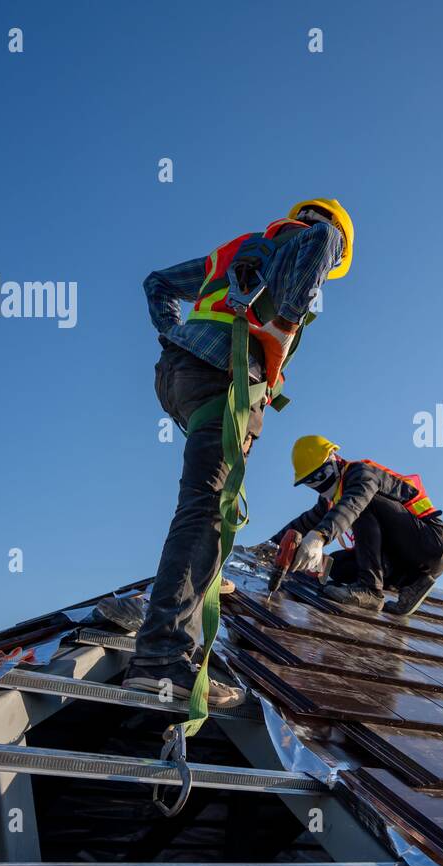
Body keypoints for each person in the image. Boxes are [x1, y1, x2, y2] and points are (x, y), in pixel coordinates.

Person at [123, 201, 354, 705]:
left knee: (207, 500)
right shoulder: (320, 236)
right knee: (206, 509)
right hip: (225, 378)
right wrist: (285, 319)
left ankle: (203, 582)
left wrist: (173, 332)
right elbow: (319, 246)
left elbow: (156, 283)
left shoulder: (232, 251)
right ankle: (160, 657)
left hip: (178, 374)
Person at [268, 435, 443, 618]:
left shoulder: (361, 474)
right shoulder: (330, 500)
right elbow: (306, 522)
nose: (318, 484)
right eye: (310, 482)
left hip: (431, 545)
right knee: (334, 566)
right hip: (403, 564)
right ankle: (413, 583)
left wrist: (319, 536)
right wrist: (272, 546)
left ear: (334, 459)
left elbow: (353, 503)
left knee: (363, 503)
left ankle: (370, 590)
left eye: (320, 475)